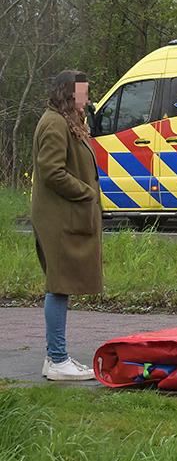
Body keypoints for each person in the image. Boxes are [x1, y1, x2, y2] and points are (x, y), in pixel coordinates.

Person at [31, 69, 101, 381]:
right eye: (82, 94)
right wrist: (86, 193)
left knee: (61, 286)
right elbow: (51, 172)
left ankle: (55, 358)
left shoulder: (64, 120)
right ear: (68, 94)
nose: (86, 101)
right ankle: (57, 359)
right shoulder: (55, 123)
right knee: (59, 286)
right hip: (59, 219)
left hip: (65, 216)